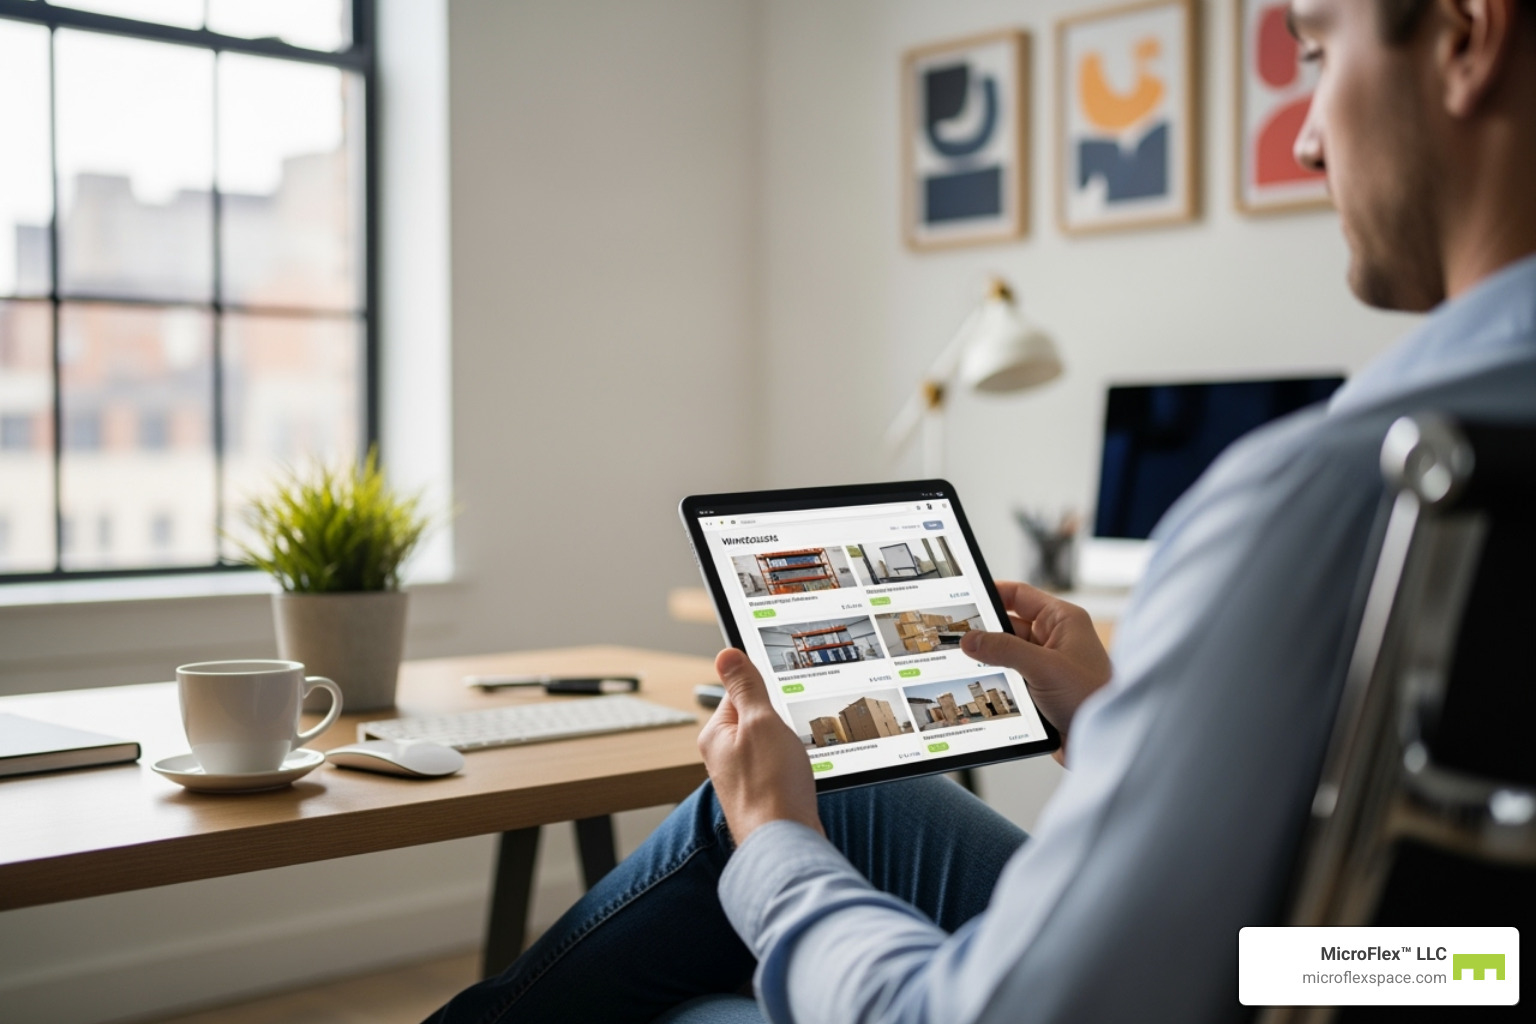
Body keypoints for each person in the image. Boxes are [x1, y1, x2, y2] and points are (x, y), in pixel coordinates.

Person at [426, 1, 1536, 1021]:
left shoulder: (1331, 490)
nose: (1302, 139)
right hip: (1419, 972)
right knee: (861, 801)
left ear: (1463, 36)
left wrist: (772, 842)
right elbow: (1472, 946)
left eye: (1315, 53)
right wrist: (1108, 715)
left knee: (717, 929)